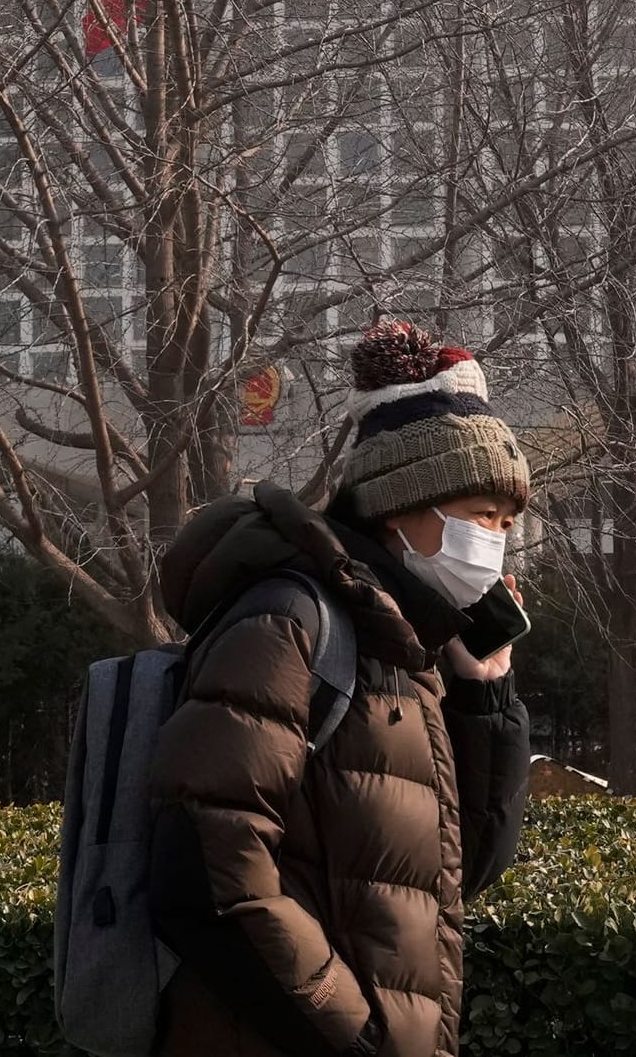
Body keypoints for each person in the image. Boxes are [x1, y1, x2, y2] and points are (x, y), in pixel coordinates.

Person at [148, 320, 532, 1057]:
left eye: (508, 521)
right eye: (483, 513)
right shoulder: (291, 622)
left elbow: (454, 875)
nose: (497, 538)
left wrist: (484, 695)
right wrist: (351, 1030)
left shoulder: (405, 650)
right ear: (400, 502)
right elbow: (204, 867)